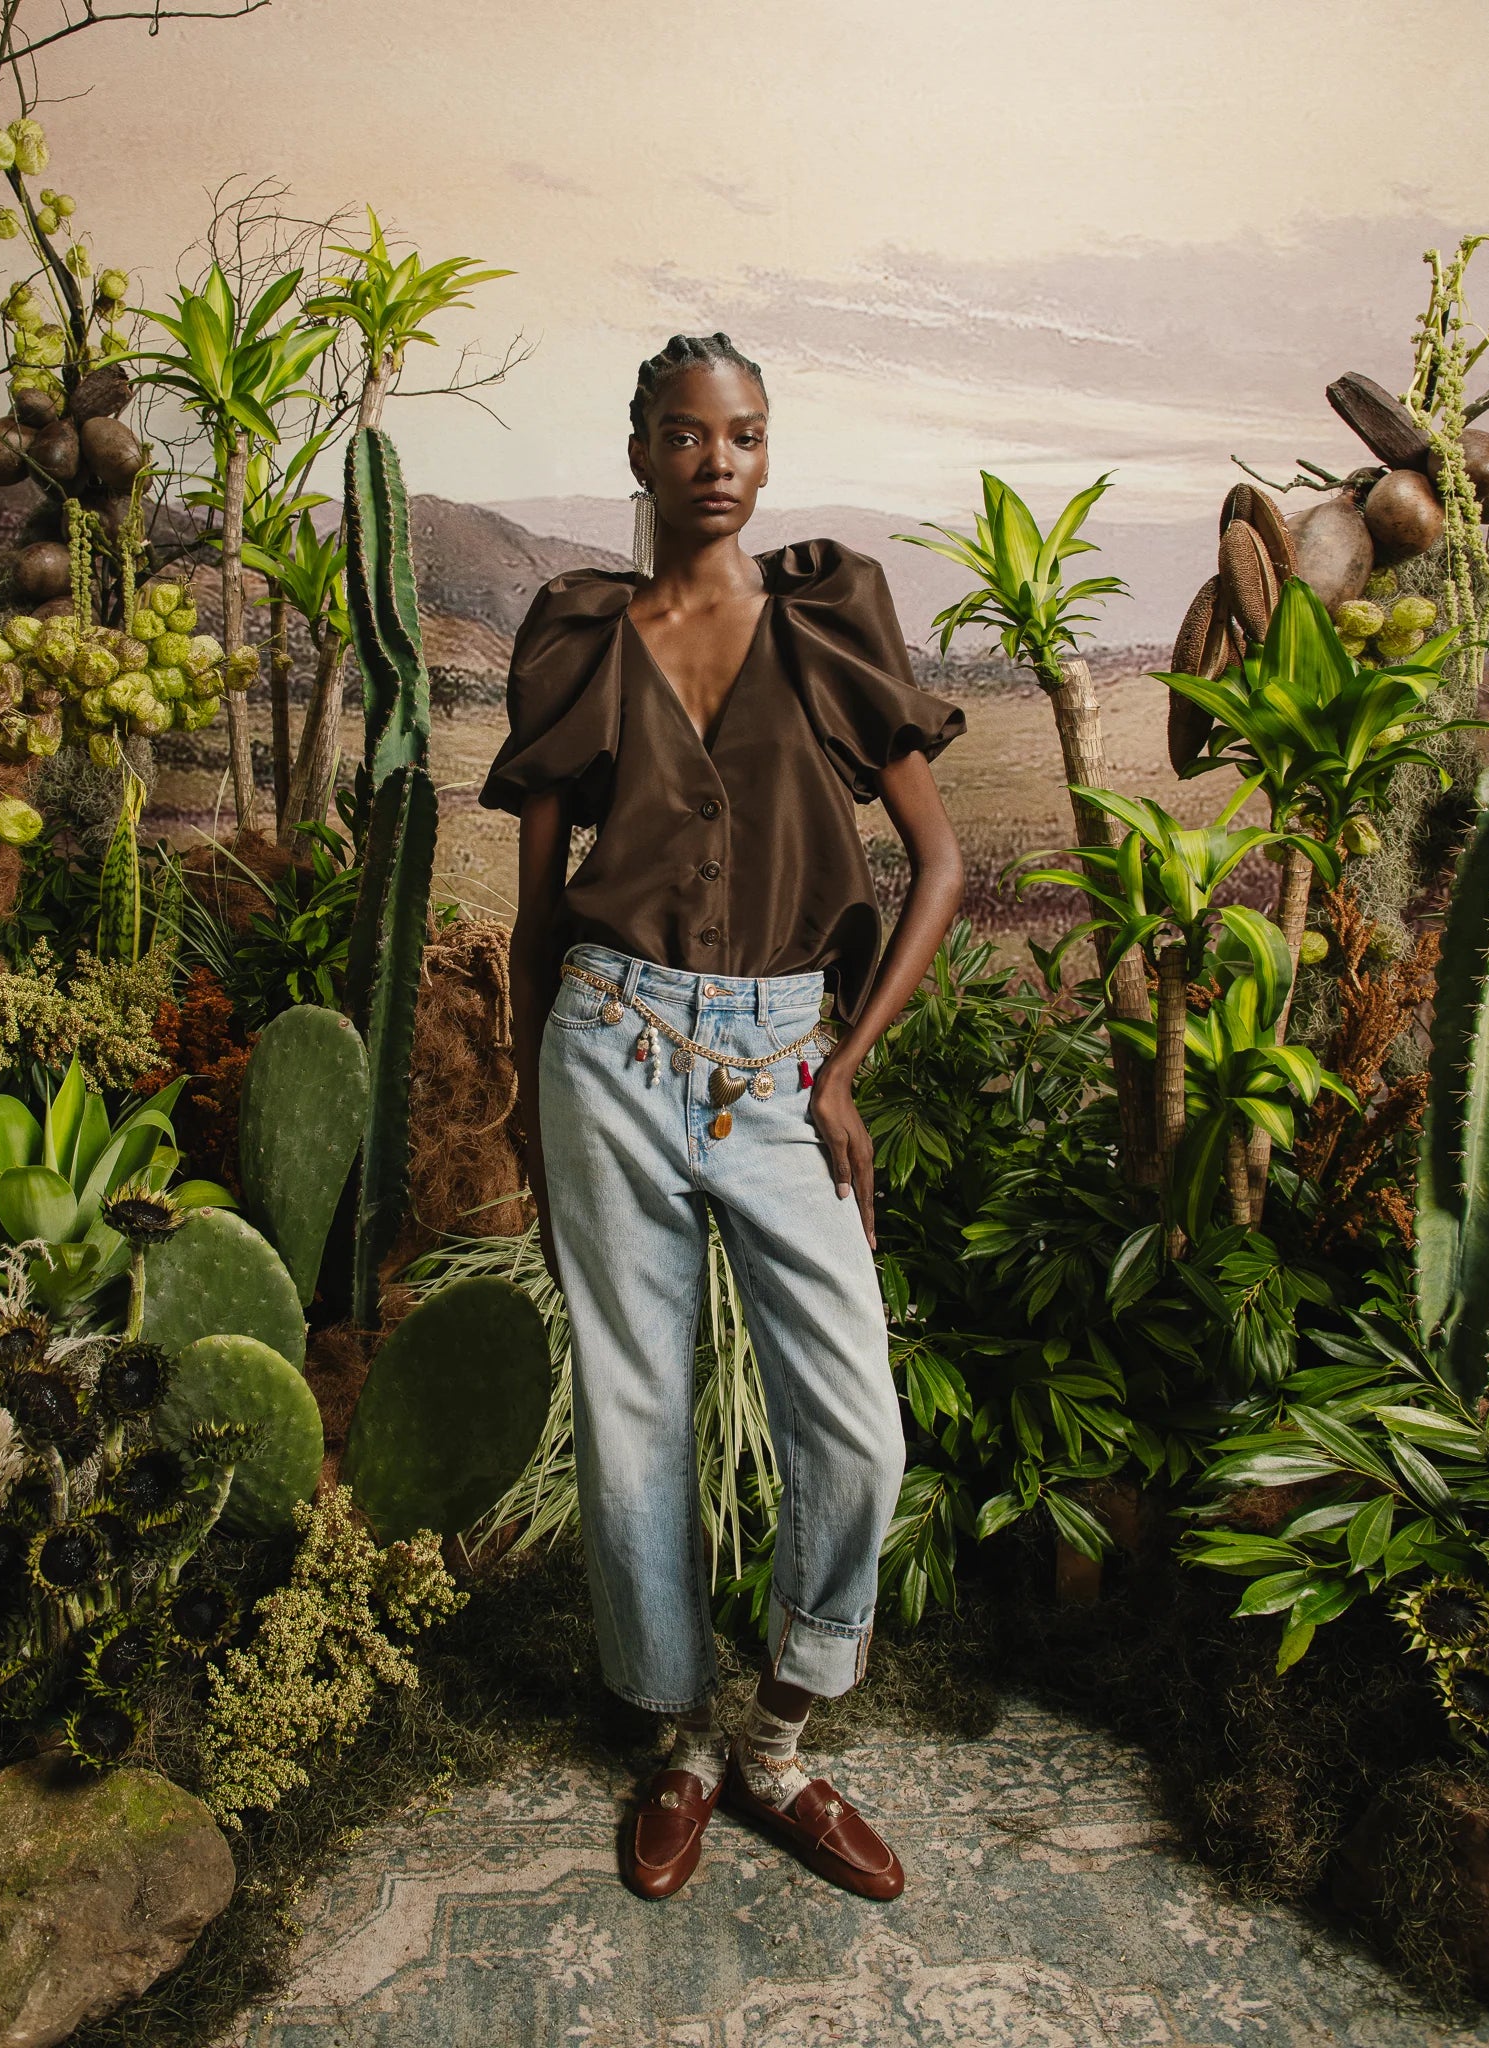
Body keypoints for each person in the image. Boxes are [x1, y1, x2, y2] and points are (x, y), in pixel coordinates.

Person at [479, 331, 965, 1903]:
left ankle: (781, 1741)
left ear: (768, 456)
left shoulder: (828, 625)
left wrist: (842, 1071)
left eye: (744, 435)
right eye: (686, 435)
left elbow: (937, 872)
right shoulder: (575, 637)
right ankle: (683, 1746)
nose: (718, 461)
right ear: (638, 451)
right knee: (635, 1420)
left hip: (774, 1068)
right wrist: (525, 1102)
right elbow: (536, 913)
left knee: (856, 1427)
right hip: (603, 1050)